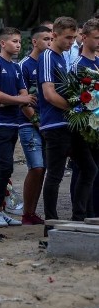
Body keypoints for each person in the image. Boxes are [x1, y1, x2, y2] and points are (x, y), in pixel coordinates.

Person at [38, 16, 92, 228]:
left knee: (89, 169)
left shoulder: (62, 57)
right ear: (55, 35)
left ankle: (78, 218)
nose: (71, 42)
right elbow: (49, 94)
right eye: (67, 38)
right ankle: (50, 223)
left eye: (73, 37)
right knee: (55, 174)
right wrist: (76, 109)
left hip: (69, 123)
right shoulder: (48, 57)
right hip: (55, 123)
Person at [0, 28, 33, 227]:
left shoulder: (16, 67)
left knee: (2, 166)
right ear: (2, 43)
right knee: (5, 165)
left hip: (15, 121)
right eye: (14, 41)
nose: (18, 45)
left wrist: (9, 101)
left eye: (20, 41)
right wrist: (16, 100)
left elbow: (26, 95)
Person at [17, 26, 52, 225]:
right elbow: (23, 101)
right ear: (34, 42)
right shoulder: (24, 65)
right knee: (36, 167)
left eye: (51, 38)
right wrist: (37, 122)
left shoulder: (52, 62)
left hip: (48, 123)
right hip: (29, 124)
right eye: (45, 38)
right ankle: (27, 212)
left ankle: (31, 212)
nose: (49, 42)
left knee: (44, 169)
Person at [67, 18, 99, 217]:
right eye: (96, 38)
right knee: (84, 170)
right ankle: (81, 211)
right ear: (84, 38)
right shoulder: (78, 65)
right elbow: (73, 97)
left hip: (98, 124)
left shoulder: (97, 62)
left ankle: (94, 210)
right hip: (84, 126)